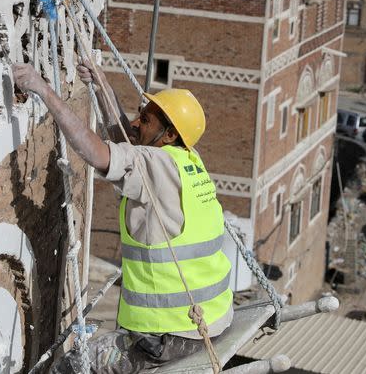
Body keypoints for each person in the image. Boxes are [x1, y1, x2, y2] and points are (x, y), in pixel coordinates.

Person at [12, 61, 233, 374]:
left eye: (145, 119)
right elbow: (127, 145)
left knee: (70, 368)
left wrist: (44, 90)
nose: (135, 121)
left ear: (169, 134)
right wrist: (103, 88)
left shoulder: (156, 165)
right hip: (212, 321)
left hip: (168, 336)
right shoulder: (187, 161)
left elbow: (99, 153)